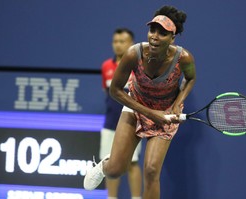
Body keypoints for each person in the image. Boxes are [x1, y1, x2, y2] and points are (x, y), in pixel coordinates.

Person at [84, 5, 196, 199]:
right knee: (115, 171)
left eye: (162, 33)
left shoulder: (183, 58)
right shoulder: (133, 54)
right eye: (153, 30)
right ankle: (104, 165)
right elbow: (115, 90)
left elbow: (190, 78)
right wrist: (151, 113)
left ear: (172, 38)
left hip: (166, 112)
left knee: (152, 170)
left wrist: (179, 102)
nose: (155, 36)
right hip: (135, 106)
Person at [100, 28, 142, 199]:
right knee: (108, 165)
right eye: (115, 41)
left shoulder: (139, 67)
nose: (118, 45)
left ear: (131, 43)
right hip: (110, 124)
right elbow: (107, 92)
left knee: (132, 163)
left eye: (122, 41)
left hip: (132, 124)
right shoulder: (106, 66)